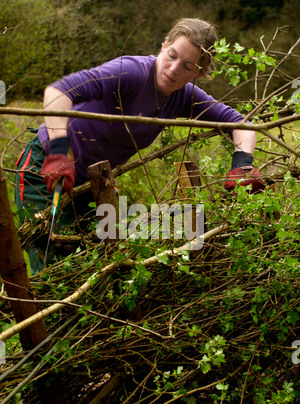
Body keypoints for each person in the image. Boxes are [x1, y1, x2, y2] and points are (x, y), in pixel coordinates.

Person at [15, 17, 265, 273]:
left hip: (92, 185)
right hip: (46, 170)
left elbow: (240, 124)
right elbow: (59, 91)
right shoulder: (131, 72)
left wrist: (243, 164)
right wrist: (59, 150)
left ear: (198, 73)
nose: (174, 68)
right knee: (51, 266)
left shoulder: (184, 97)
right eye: (172, 55)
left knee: (94, 265)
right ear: (164, 44)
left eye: (188, 66)